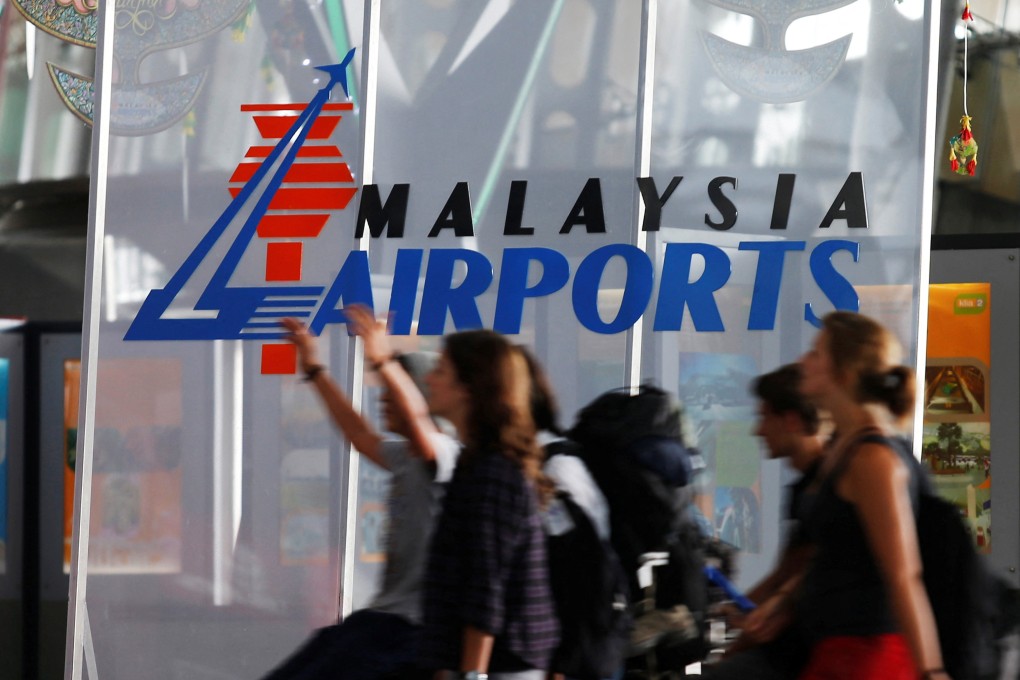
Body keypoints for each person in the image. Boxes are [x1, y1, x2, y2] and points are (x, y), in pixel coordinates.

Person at [261, 306, 459, 680]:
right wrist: (314, 370)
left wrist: (382, 358)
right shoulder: (404, 456)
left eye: (391, 393)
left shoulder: (446, 454)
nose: (382, 400)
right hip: (384, 620)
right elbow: (359, 435)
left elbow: (419, 426)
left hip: (414, 632)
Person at [794, 311, 949, 680]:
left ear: (844, 374)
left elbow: (903, 574)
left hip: (870, 659)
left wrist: (931, 671)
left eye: (817, 354)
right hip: (838, 653)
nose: (804, 361)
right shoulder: (844, 451)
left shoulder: (873, 458)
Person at [418, 331, 560, 680]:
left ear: (469, 387)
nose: (429, 379)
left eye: (440, 371)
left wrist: (472, 673)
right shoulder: (477, 463)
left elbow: (486, 582)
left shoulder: (493, 473)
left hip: (501, 664)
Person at [703, 364, 825, 679]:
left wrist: (737, 647)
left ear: (792, 420)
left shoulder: (824, 488)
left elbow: (794, 576)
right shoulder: (805, 487)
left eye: (764, 417)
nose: (758, 430)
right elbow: (784, 576)